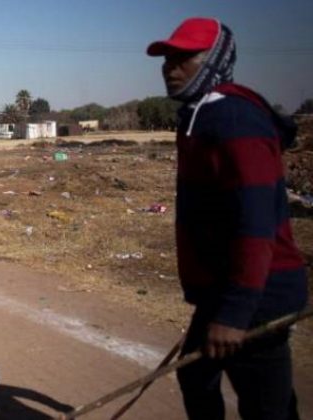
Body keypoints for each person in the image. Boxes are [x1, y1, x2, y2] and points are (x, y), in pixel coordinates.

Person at [148, 17, 308, 420]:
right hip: (225, 287)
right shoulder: (200, 115)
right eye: (167, 59)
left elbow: (255, 224)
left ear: (216, 60)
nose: (170, 68)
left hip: (260, 293)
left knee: (264, 403)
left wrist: (235, 314)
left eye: (184, 58)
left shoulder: (234, 119)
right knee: (197, 376)